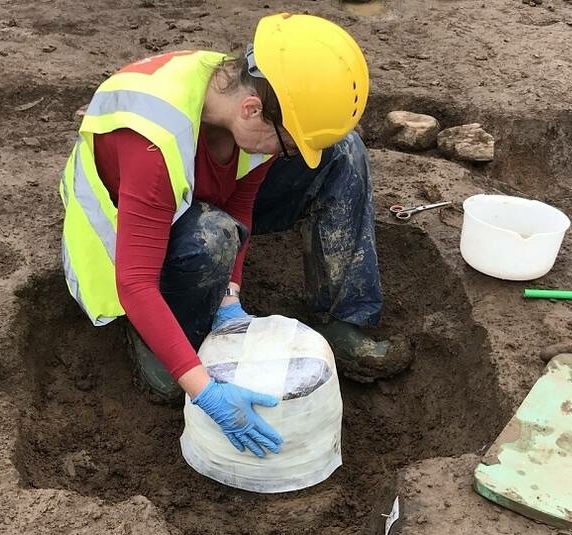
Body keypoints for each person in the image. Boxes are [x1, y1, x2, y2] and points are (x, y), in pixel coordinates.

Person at [59, 13, 409, 458]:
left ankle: (343, 316)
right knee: (212, 237)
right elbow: (135, 282)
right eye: (286, 145)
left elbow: (241, 201)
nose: (287, 157)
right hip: (130, 239)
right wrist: (204, 390)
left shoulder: (247, 99)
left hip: (199, 198)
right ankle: (163, 340)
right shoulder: (152, 139)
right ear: (252, 110)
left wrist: (230, 296)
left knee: (340, 153)